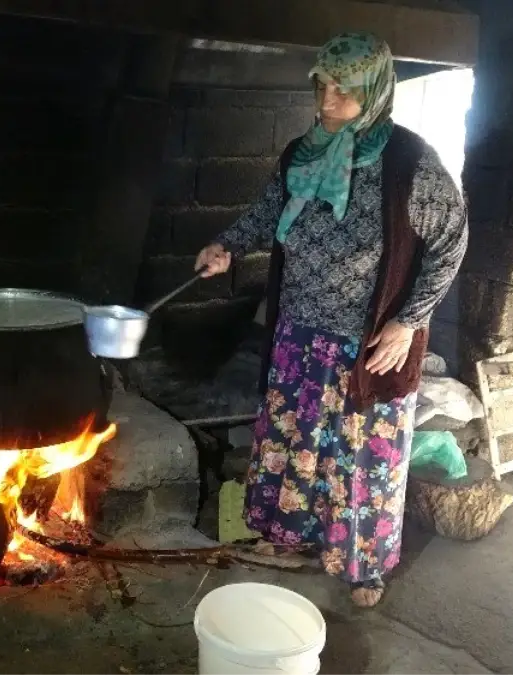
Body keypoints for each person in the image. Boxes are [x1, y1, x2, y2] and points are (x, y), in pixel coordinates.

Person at [195, 32, 467, 608]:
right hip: (299, 331)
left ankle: (363, 566)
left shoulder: (409, 163)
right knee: (293, 443)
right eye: (322, 86)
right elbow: (269, 213)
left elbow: (451, 243)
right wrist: (227, 245)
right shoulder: (303, 152)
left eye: (344, 91)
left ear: (373, 92)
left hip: (369, 341)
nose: (327, 101)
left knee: (362, 456)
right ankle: (290, 537)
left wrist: (409, 321)